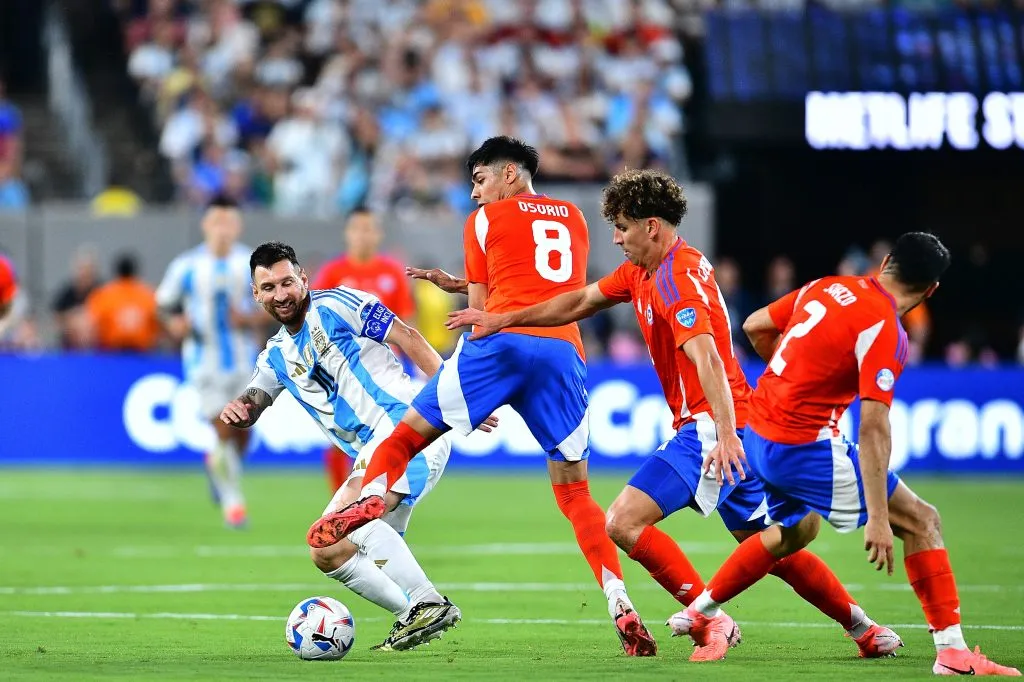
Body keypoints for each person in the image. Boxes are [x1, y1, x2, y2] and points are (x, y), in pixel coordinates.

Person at [446, 168, 901, 659]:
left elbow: (705, 356)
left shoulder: (676, 278)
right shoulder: (645, 271)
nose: (616, 238)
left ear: (653, 227)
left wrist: (724, 434)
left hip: (713, 426)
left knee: (622, 521)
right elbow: (579, 301)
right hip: (738, 422)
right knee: (764, 546)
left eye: (622, 227)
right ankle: (866, 629)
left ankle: (712, 618)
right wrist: (503, 317)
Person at [307, 136, 658, 657]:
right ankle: (619, 598)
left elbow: (481, 309)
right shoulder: (575, 217)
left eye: (479, 180)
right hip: (563, 354)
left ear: (510, 173)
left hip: (497, 345)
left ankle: (372, 499)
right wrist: (462, 283)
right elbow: (552, 291)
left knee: (404, 438)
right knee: (575, 495)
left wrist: (472, 323)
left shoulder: (483, 222)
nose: (474, 194)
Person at [671, 233, 1020, 675]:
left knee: (795, 532)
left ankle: (701, 609)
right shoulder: (887, 330)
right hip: (801, 447)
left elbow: (756, 325)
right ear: (931, 289)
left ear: (887, 261)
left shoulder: (828, 285)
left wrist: (795, 379)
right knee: (921, 520)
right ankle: (952, 653)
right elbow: (874, 428)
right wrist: (878, 516)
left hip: (758, 432)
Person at [220, 241, 475, 651]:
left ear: (304, 279)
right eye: (268, 288)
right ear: (256, 294)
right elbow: (255, 400)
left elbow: (407, 336)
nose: (280, 294)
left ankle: (427, 602)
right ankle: (415, 612)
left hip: (404, 431)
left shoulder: (338, 304)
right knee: (327, 548)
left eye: (287, 282)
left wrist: (454, 396)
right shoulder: (276, 357)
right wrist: (239, 408)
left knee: (353, 517)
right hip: (372, 451)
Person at [156, 195, 264, 528]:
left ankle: (218, 469)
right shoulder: (186, 266)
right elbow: (162, 306)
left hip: (245, 360)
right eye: (216, 222)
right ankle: (234, 503)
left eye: (228, 222)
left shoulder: (251, 264)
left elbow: (274, 308)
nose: (222, 229)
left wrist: (247, 319)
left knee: (244, 433)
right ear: (205, 224)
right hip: (204, 361)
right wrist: (174, 325)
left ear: (238, 226)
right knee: (222, 426)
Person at [312, 208, 417, 494]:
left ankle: (379, 493)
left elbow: (406, 322)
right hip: (341, 370)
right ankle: (340, 498)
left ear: (378, 233)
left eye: (369, 228)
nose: (363, 234)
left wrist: (412, 363)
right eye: (357, 228)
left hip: (384, 371)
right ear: (348, 233)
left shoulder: (391, 272)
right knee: (342, 435)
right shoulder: (333, 273)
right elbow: (314, 320)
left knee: (388, 436)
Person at [85, 253, 162, 352]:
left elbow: (93, 325)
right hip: (143, 354)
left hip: (112, 354)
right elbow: (158, 324)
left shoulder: (104, 295)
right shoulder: (148, 294)